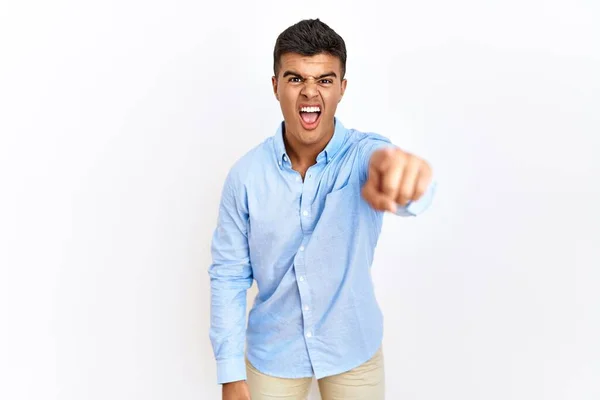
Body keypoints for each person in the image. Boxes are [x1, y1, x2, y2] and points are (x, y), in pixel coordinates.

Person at [208, 18, 436, 400]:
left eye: (325, 80)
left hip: (353, 348)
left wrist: (408, 181)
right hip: (273, 354)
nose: (309, 93)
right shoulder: (245, 176)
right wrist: (230, 374)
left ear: (342, 88)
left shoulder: (365, 155)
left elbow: (390, 169)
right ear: (275, 85)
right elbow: (229, 276)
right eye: (295, 79)